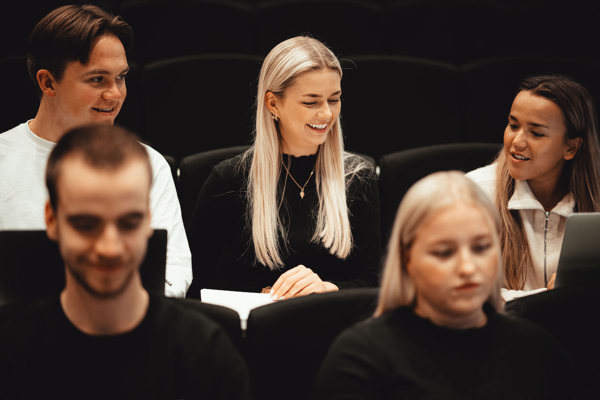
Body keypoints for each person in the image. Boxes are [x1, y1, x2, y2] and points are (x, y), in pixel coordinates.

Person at [0, 124, 250, 399]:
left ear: (148, 219)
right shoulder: (11, 351)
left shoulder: (205, 354)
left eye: (128, 223)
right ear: (52, 220)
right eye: (86, 225)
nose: (110, 247)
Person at [313, 171, 576, 400]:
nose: (467, 267)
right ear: (408, 258)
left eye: (481, 248)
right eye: (444, 252)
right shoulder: (359, 361)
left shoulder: (537, 351)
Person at [0, 4, 191, 297]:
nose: (115, 94)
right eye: (97, 79)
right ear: (48, 82)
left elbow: (173, 271)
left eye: (121, 77)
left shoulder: (148, 163)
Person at [188, 36, 381, 298]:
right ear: (273, 104)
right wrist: (272, 296)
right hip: (250, 331)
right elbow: (197, 283)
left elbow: (373, 279)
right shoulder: (228, 180)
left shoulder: (358, 177)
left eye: (334, 99)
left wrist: (327, 289)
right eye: (311, 102)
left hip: (333, 327)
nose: (326, 114)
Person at [467, 74, 600, 301]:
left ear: (571, 147)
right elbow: (465, 291)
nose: (517, 141)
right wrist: (551, 297)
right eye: (513, 125)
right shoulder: (473, 192)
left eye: (536, 133)